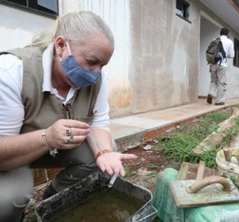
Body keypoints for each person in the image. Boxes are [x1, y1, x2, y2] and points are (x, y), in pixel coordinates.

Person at [0, 11, 137, 222]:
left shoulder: (97, 80)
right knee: (9, 197)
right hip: (11, 153)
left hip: (51, 146)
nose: (96, 72)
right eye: (91, 61)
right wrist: (47, 137)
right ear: (61, 46)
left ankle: (53, 200)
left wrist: (105, 152)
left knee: (102, 154)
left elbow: (100, 123)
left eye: (102, 65)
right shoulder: (12, 71)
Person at [206, 27, 235, 105]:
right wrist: (226, 55)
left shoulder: (214, 40)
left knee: (213, 81)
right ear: (228, 33)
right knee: (221, 82)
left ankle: (210, 94)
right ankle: (219, 100)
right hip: (222, 65)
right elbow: (232, 55)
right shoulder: (229, 42)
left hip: (213, 63)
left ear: (220, 33)